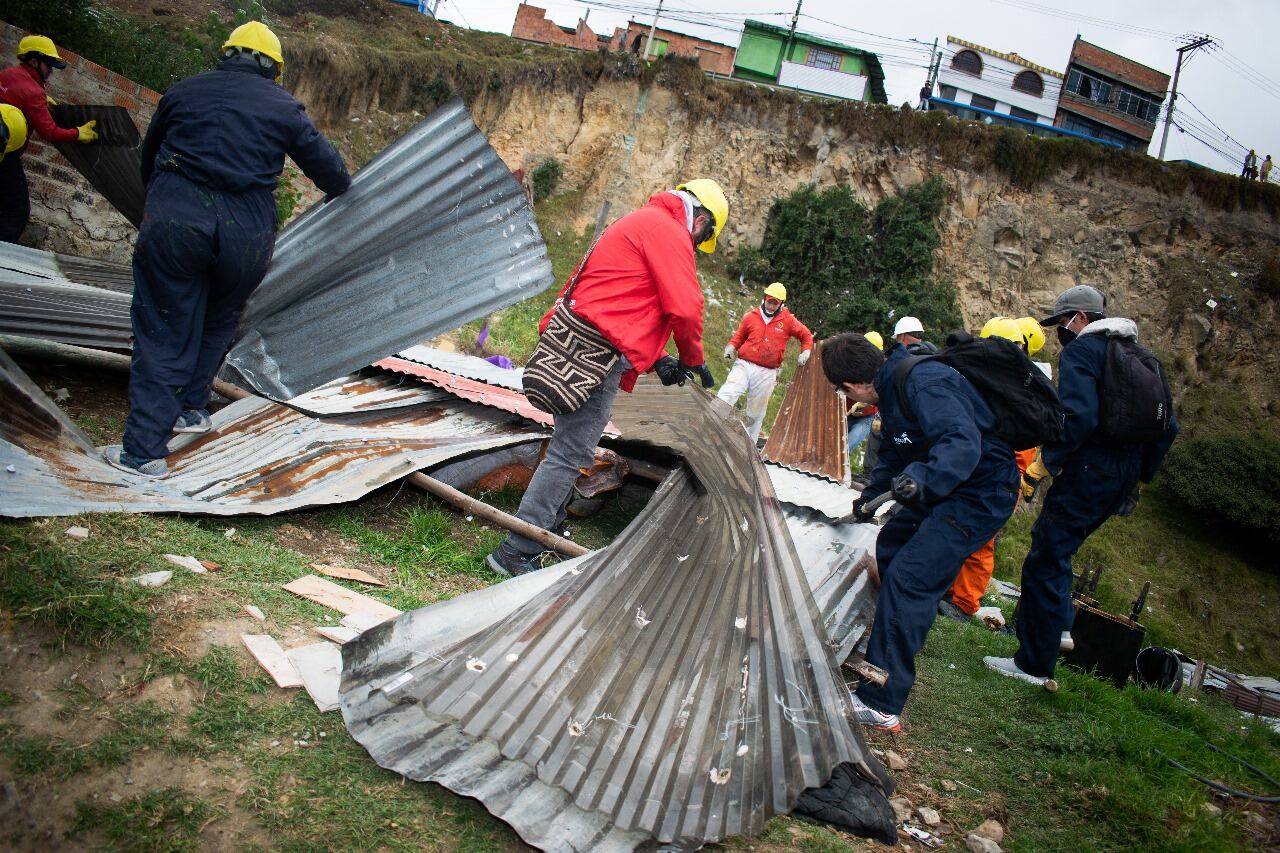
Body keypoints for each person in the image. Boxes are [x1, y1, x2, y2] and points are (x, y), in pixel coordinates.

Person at [102, 21, 351, 478]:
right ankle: (190, 410)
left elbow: (149, 158)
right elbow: (334, 175)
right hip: (246, 235)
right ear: (273, 69)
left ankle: (141, 452)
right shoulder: (283, 107)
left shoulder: (183, 93)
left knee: (164, 330)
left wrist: (166, 205)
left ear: (227, 54)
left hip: (178, 219)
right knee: (218, 319)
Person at [486, 179, 728, 577]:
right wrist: (692, 358)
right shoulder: (670, 231)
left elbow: (622, 306)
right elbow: (685, 308)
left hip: (581, 345)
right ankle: (518, 548)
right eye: (702, 237)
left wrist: (659, 360)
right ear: (700, 220)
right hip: (596, 357)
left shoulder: (643, 220)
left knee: (572, 450)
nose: (697, 244)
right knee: (570, 453)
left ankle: (547, 525)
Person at [822, 332, 1019, 731]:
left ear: (851, 386)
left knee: (912, 578)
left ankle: (882, 702)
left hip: (979, 493)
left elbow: (963, 444)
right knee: (892, 547)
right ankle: (885, 640)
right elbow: (896, 454)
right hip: (942, 487)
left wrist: (920, 478)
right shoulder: (891, 392)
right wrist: (870, 499)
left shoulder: (923, 382)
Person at [985, 285, 1178, 687]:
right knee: (1061, 550)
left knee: (1046, 553)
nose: (1061, 332)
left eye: (1061, 323)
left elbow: (1079, 415)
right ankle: (1058, 631)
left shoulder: (1084, 352)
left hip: (1091, 468)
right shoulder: (1146, 359)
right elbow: (1168, 428)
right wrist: (1139, 476)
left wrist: (1045, 462)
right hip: (1121, 476)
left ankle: (1035, 662)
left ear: (1080, 319)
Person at [938, 317, 1041, 621]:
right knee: (957, 528)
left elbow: (1021, 446)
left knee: (981, 541)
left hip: (1002, 475)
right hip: (983, 468)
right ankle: (949, 589)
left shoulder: (1020, 385)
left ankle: (965, 602)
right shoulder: (1005, 378)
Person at [0, 35, 98, 243]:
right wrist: (78, 133)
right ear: (34, 60)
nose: (51, 71)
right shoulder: (33, 92)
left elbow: (15, 96)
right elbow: (50, 132)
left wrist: (42, 101)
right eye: (49, 64)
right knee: (17, 209)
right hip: (5, 154)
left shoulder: (7, 74)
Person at [718, 281, 814, 443]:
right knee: (726, 395)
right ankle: (707, 426)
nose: (771, 306)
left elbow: (806, 335)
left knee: (755, 413)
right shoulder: (750, 316)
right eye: (769, 301)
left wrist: (806, 350)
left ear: (781, 304)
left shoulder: (788, 321)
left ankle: (748, 447)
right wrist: (731, 347)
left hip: (767, 372)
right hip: (744, 365)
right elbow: (739, 336)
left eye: (775, 303)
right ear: (764, 299)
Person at [846, 331, 882, 461]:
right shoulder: (851, 364)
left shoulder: (880, 370)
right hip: (847, 413)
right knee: (835, 444)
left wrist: (863, 403)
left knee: (848, 446)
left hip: (866, 417)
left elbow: (880, 393)